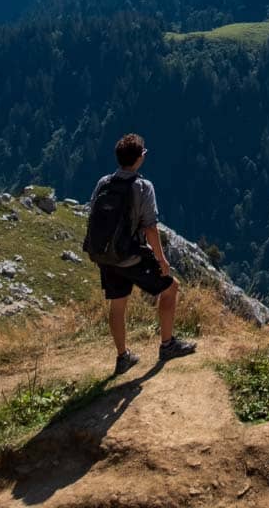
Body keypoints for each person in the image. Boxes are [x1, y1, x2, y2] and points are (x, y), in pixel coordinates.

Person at [84, 132, 196, 374]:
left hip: (106, 255)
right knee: (170, 288)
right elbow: (150, 228)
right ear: (139, 158)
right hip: (130, 256)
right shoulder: (143, 187)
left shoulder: (104, 182)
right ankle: (167, 345)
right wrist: (162, 260)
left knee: (118, 304)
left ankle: (123, 357)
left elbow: (92, 214)